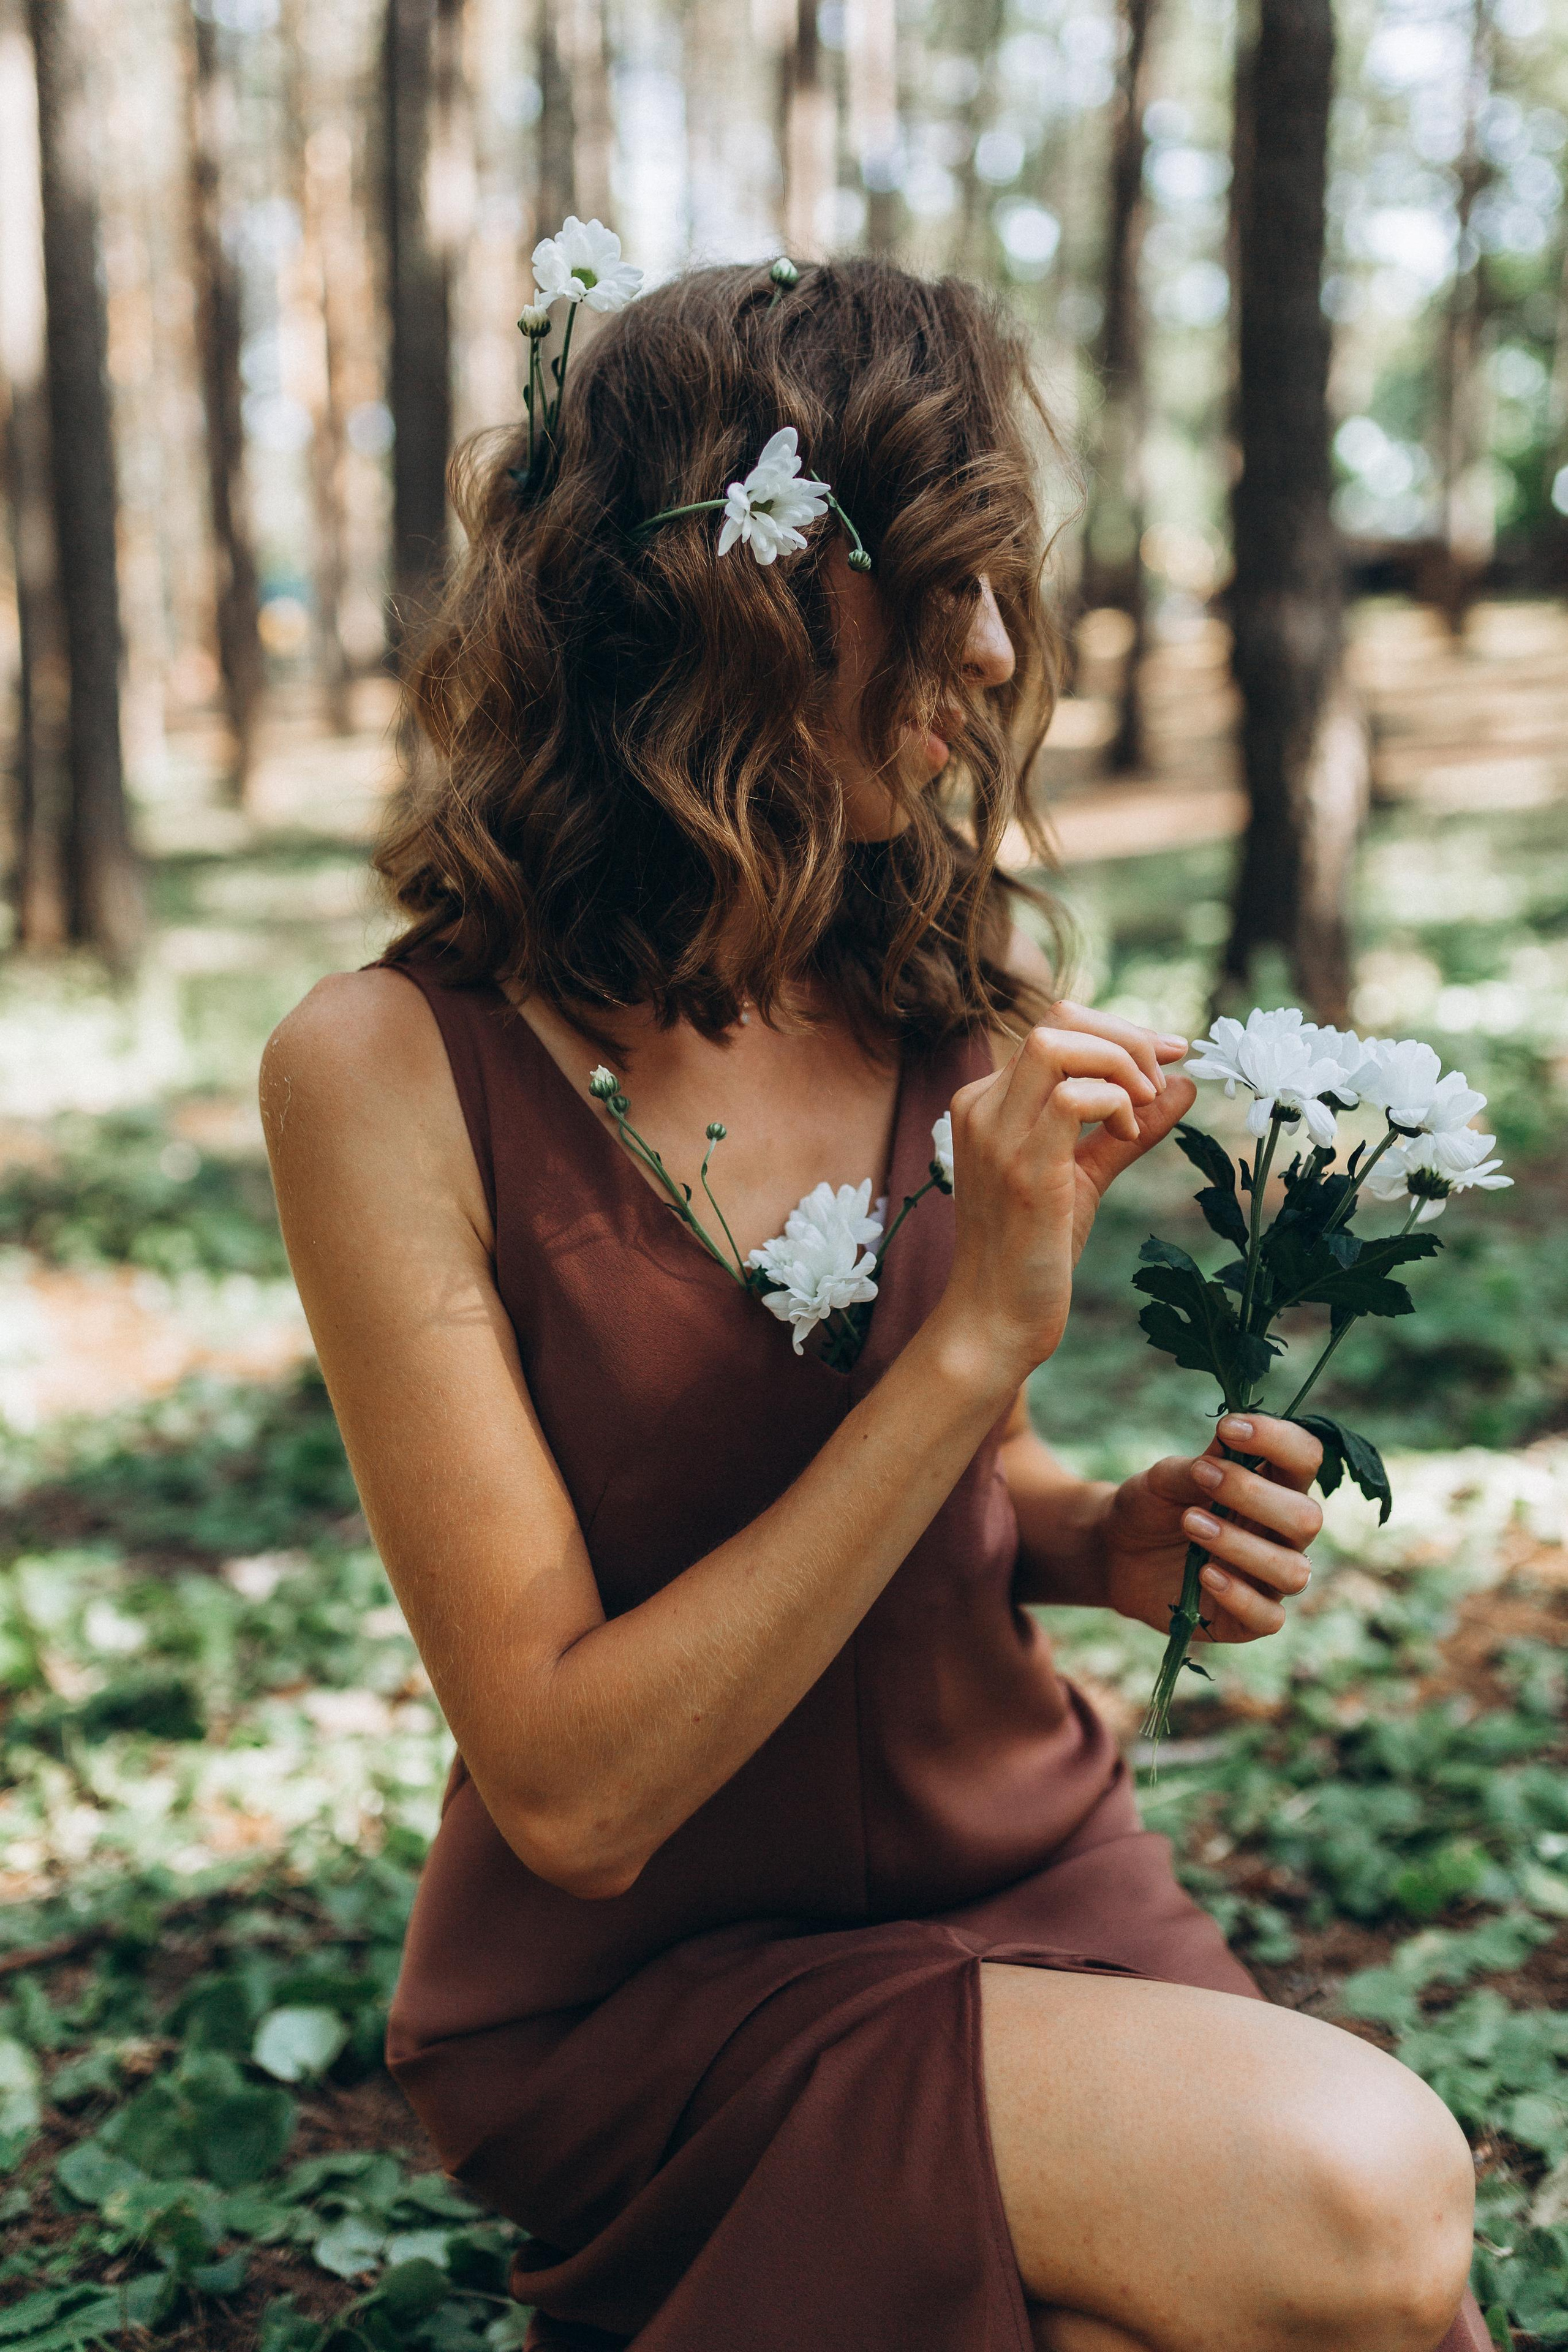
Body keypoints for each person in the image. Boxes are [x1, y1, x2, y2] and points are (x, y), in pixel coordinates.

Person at [262, 257, 1488, 2352]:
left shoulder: (947, 986)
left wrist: (1110, 1538)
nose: (998, 652)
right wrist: (977, 1338)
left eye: (1002, 582)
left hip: (1033, 1873)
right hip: (649, 1993)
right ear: (715, 594)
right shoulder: (392, 1070)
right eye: (932, 585)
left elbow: (978, 1484)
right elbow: (569, 1787)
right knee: (1363, 2197)